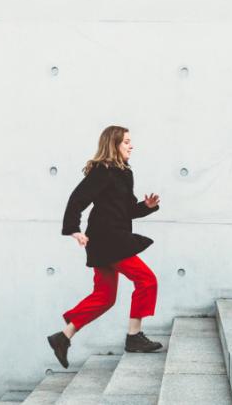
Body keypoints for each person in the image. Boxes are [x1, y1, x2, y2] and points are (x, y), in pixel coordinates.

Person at [48, 125, 162, 368]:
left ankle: (63, 336)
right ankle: (134, 337)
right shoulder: (102, 171)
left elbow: (128, 209)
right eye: (126, 142)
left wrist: (147, 206)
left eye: (131, 141)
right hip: (108, 240)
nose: (131, 146)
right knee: (147, 280)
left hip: (110, 241)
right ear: (114, 145)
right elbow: (77, 199)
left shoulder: (124, 173)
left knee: (105, 296)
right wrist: (74, 230)